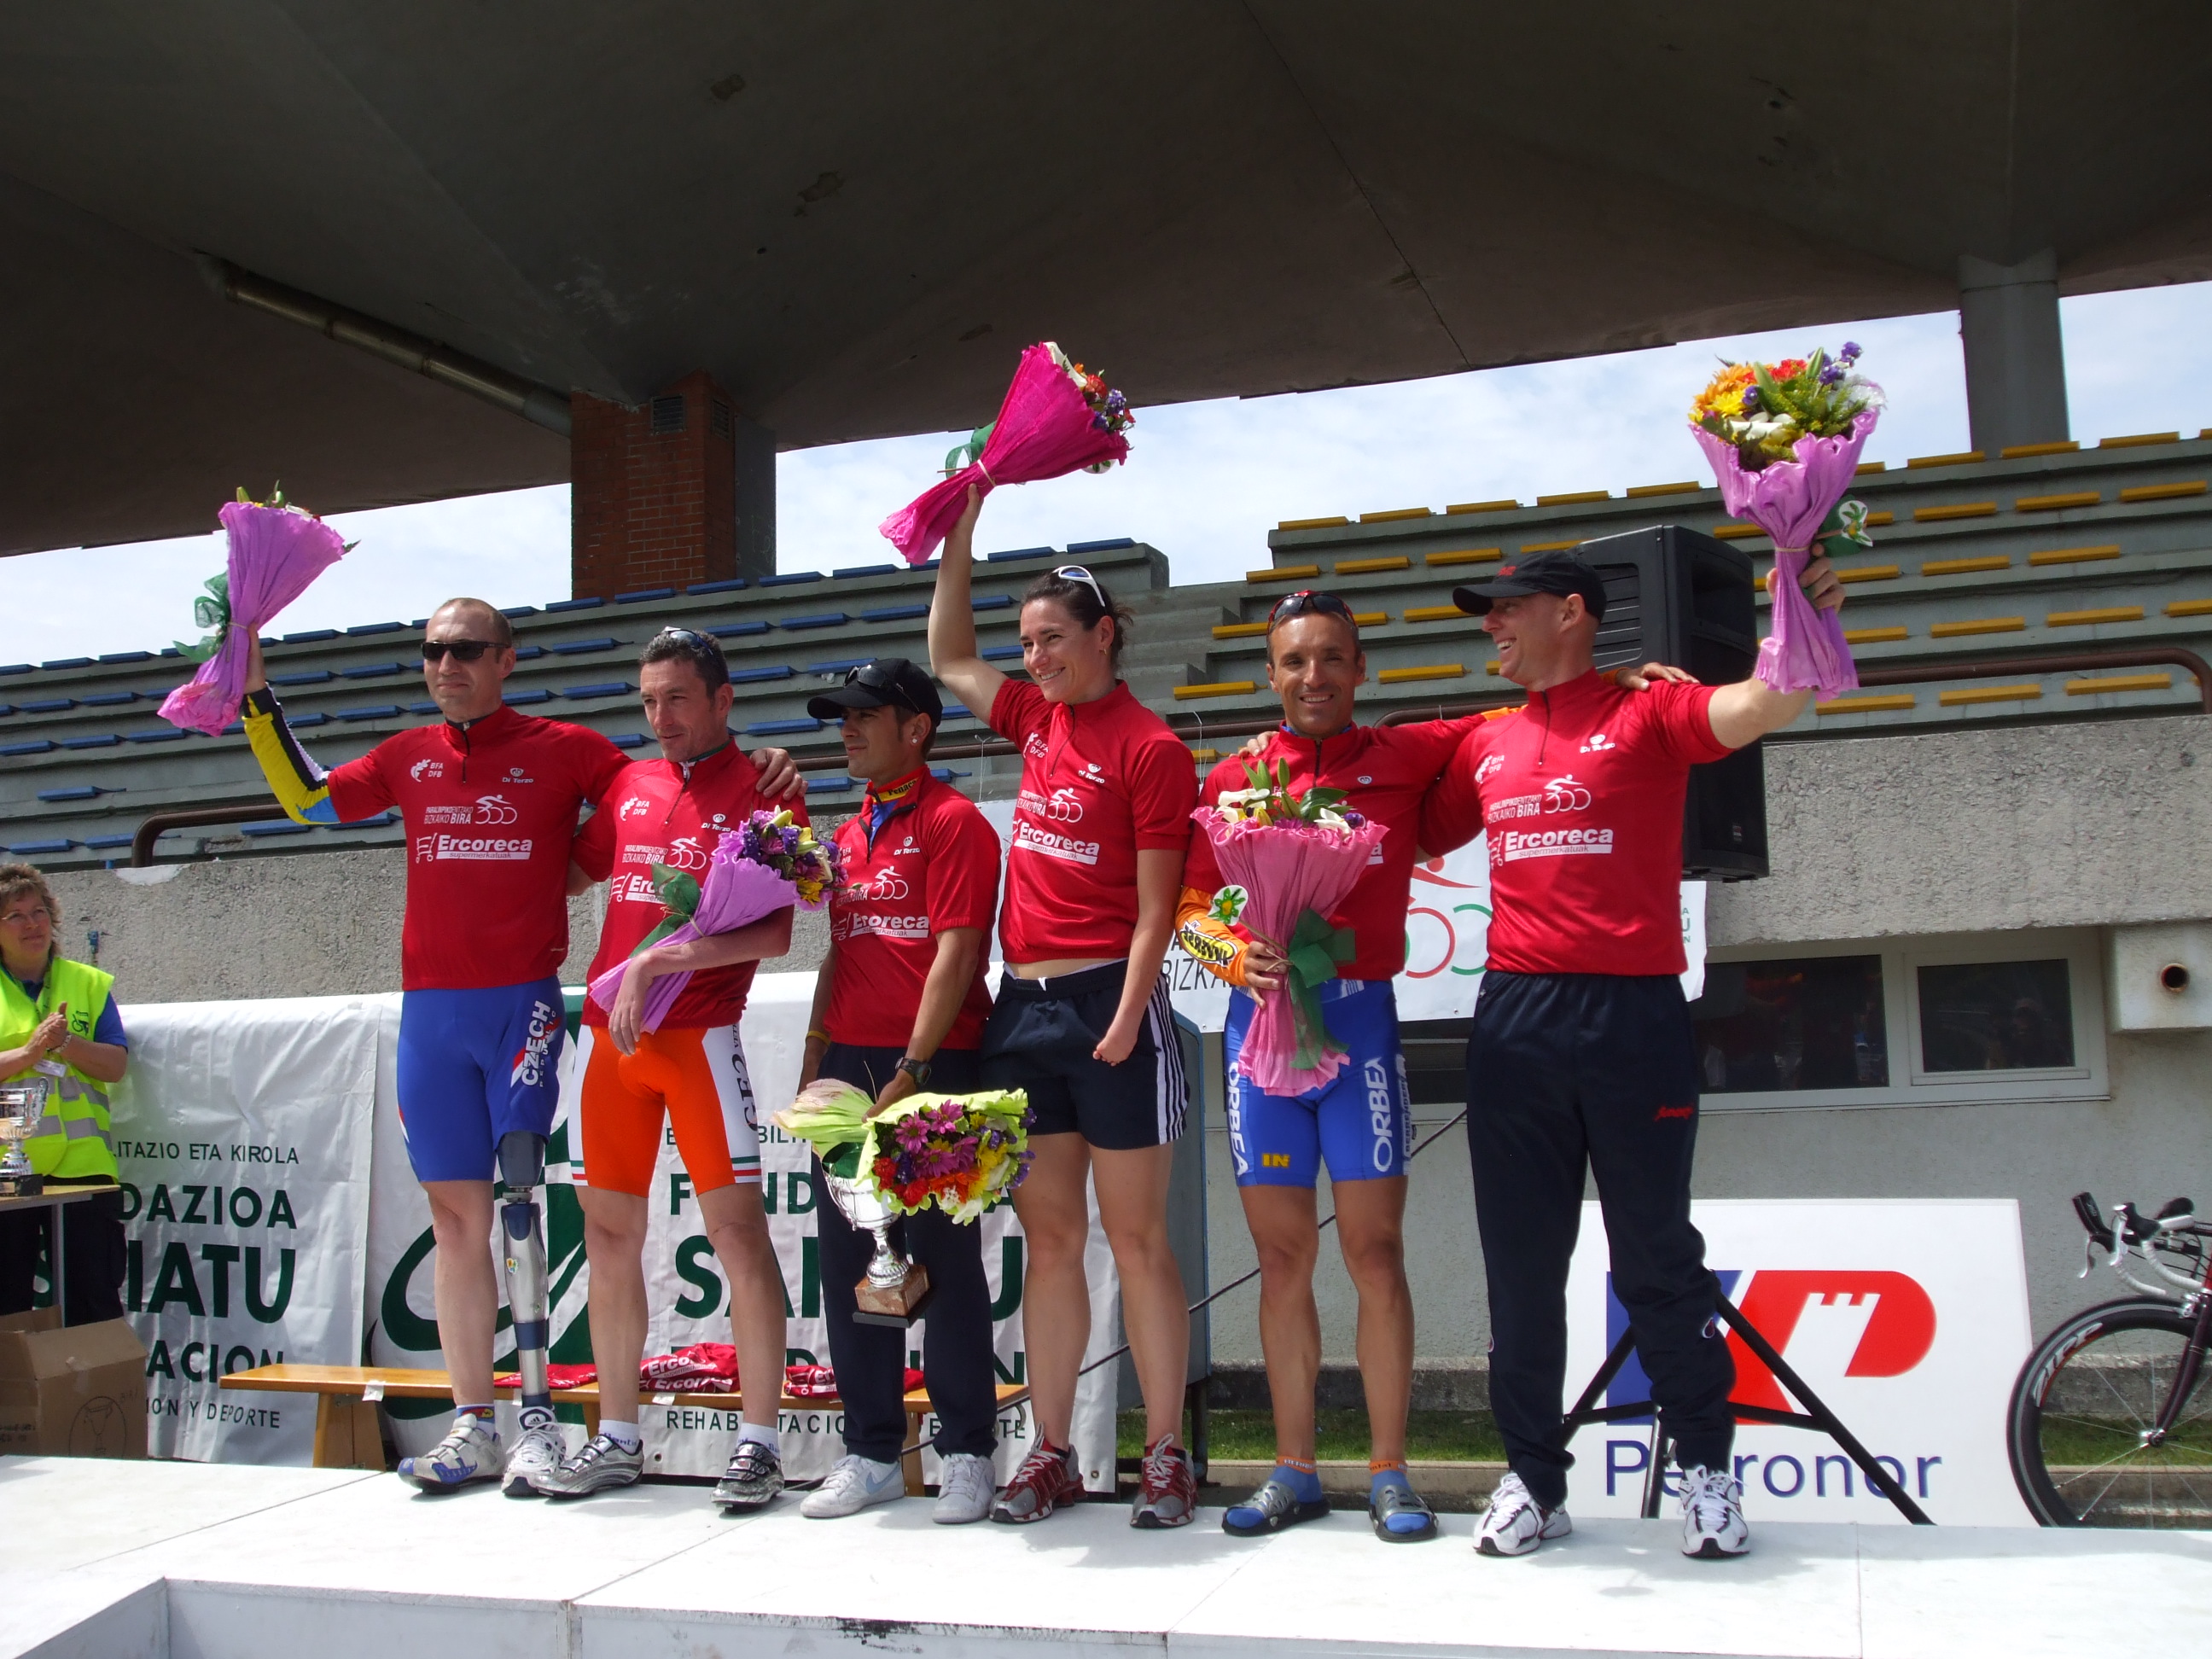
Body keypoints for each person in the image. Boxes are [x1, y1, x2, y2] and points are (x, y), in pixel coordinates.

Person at [240, 600, 797, 1495]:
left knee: (668, 1225)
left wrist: (767, 764)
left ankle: (711, 1437)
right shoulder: (563, 774)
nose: (660, 716)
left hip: (617, 1022)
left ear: (506, 658)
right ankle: (550, 1431)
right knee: (533, 1228)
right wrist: (253, 695)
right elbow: (564, 864)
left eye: (465, 649)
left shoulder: (616, 761)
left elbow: (756, 901)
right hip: (526, 1027)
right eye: (432, 649)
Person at [1175, 593, 1676, 1543]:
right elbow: (1190, 908)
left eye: (1332, 658)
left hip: (1359, 1027)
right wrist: (1231, 957)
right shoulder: (1237, 776)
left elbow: (1529, 710)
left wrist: (1616, 685)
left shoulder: (1407, 753)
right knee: (1281, 1259)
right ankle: (1293, 1470)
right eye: (1294, 661)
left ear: (1361, 669)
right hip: (1260, 1037)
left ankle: (1389, 1472)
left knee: (1375, 1253)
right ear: (1269, 675)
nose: (1314, 677)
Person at [1417, 547, 1842, 1561]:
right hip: (1516, 1021)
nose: (1492, 625)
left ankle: (1707, 1471)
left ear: (1570, 612)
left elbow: (1767, 703)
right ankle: (1533, 1478)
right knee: (1523, 1269)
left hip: (1634, 1018)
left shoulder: (1649, 712)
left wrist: (1805, 614)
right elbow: (1394, 817)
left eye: (1508, 608)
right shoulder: (1483, 740)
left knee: (1656, 1260)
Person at [927, 487, 1201, 1528]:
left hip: (1110, 1006)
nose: (1033, 657)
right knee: (1048, 1243)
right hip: (1024, 1013)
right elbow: (951, 655)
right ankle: (1051, 1451)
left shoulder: (1152, 747)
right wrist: (961, 533)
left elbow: (1158, 908)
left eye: (1052, 638)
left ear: (1103, 635)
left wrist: (1127, 1019)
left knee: (1138, 1242)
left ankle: (1165, 1453)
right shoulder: (1036, 720)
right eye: (1028, 641)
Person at [537, 628, 800, 1507]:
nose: (661, 717)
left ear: (723, 699)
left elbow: (774, 933)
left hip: (698, 1037)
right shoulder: (628, 784)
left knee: (738, 1237)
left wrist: (660, 961)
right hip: (610, 1041)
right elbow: (566, 875)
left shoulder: (767, 792)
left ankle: (758, 1444)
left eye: (678, 698)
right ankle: (616, 1436)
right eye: (648, 701)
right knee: (608, 1238)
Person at [793, 657, 1004, 1525]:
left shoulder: (956, 822)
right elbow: (841, 953)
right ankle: (873, 1453)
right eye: (840, 715)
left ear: (916, 727)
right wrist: (816, 1054)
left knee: (943, 1262)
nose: (846, 728)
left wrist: (913, 1068)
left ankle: (967, 1454)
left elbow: (958, 953)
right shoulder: (846, 835)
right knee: (854, 1262)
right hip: (850, 1062)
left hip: (937, 1062)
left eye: (864, 714)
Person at [0, 864, 129, 1324]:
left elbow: (115, 1066)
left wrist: (67, 1044)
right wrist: (29, 1051)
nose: (32, 924)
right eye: (15, 915)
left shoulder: (88, 983)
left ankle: (95, 1377)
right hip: (8, 1175)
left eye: (39, 912)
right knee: (6, 1306)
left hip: (83, 1170)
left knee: (94, 1303)